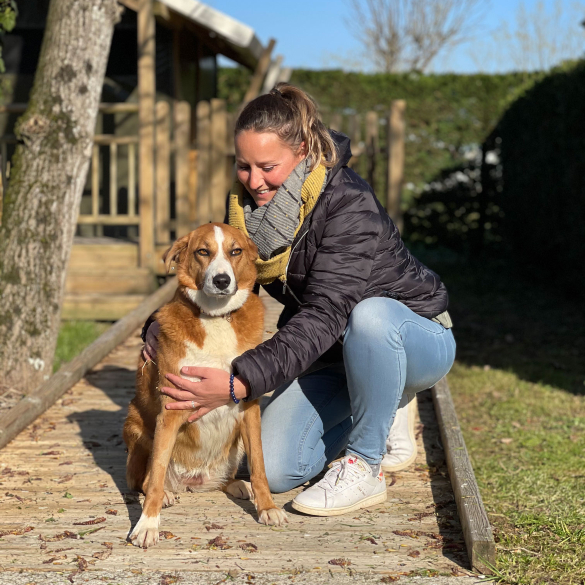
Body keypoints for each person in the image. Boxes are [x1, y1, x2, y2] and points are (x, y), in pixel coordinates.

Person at [145, 83, 456, 517]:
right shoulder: (248, 211)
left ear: (303, 151)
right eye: (243, 166)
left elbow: (327, 313)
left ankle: (366, 462)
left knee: (369, 317)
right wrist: (160, 326)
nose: (254, 181)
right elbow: (216, 277)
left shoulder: (348, 202)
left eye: (267, 166)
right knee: (270, 469)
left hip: (413, 336)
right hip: (336, 354)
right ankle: (378, 405)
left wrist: (240, 382)